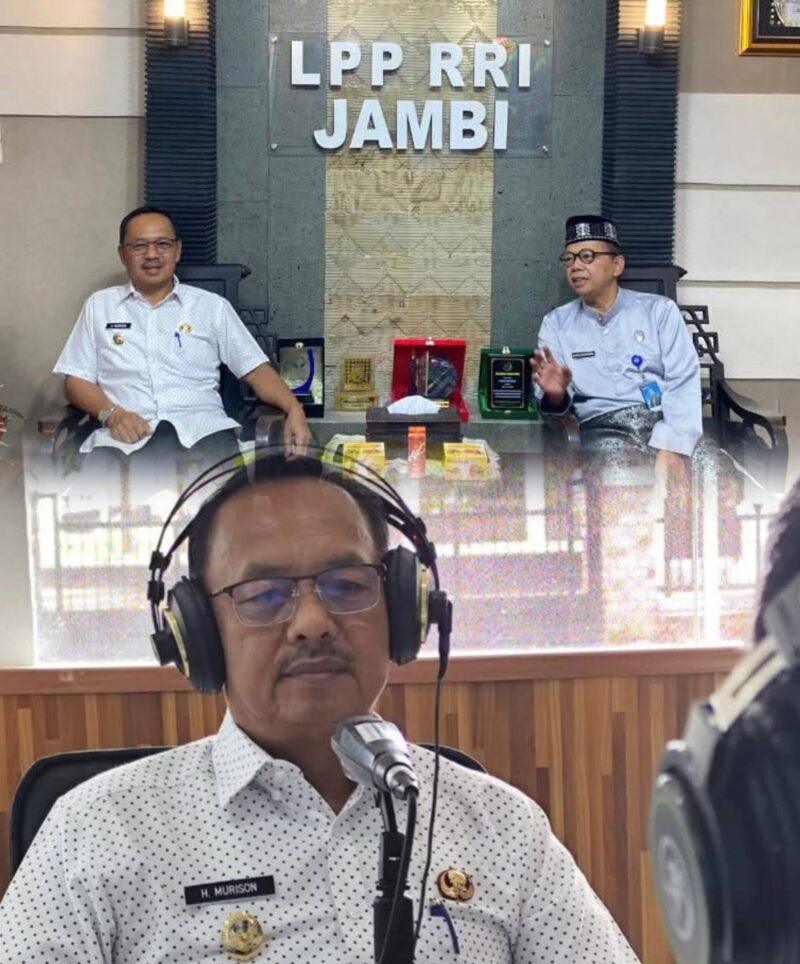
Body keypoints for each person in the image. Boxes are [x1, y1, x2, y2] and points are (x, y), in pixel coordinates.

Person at [0, 451, 639, 963]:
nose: (312, 622)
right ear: (196, 633)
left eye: (346, 585)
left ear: (402, 609)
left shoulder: (501, 827)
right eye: (263, 594)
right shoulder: (97, 831)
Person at [53, 205, 311, 457]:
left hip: (204, 436)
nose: (152, 254)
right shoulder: (99, 306)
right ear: (122, 254)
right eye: (139, 246)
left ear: (177, 250)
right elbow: (76, 380)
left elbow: (255, 370)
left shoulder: (211, 307)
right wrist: (112, 415)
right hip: (125, 440)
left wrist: (294, 409)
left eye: (162, 244)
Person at [531, 215, 702, 477]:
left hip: (665, 422)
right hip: (603, 430)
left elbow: (682, 379)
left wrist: (672, 446)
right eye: (569, 259)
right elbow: (554, 404)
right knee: (619, 480)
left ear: (617, 265)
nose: (575, 266)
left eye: (587, 256)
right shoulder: (556, 324)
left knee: (713, 469)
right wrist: (556, 394)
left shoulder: (659, 311)